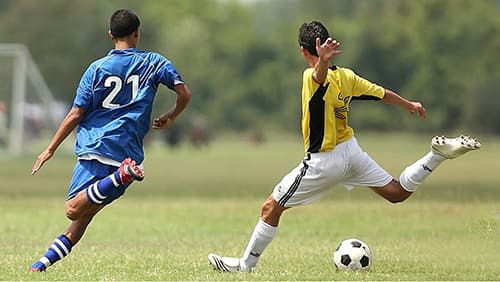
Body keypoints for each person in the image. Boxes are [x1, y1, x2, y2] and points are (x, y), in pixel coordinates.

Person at [208, 21, 480, 273]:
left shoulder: (309, 76)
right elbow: (379, 92)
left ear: (304, 51)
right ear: (325, 44)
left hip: (324, 160)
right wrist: (408, 104)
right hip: (351, 151)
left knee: (270, 208)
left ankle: (246, 265)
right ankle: (435, 156)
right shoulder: (347, 76)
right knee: (396, 192)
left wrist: (322, 63)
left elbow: (318, 77)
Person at [29, 9, 191, 272]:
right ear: (137, 33)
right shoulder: (154, 62)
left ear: (110, 35)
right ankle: (41, 265)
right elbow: (184, 93)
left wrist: (49, 148)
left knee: (73, 209)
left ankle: (120, 176)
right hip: (128, 151)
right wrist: (171, 116)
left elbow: (76, 113)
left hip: (96, 147)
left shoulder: (96, 69)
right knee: (83, 218)